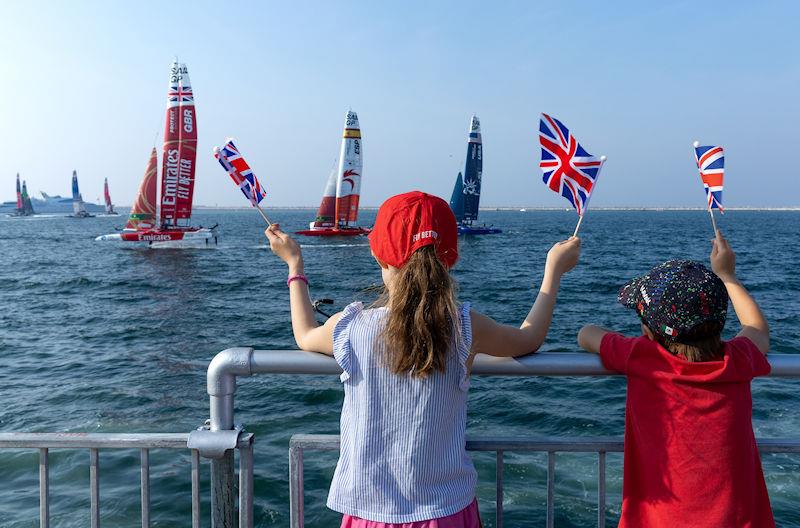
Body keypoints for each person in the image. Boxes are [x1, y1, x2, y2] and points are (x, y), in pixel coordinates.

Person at [266, 191, 580, 527]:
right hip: (445, 509)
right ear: (451, 259)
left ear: (377, 254)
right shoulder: (463, 326)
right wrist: (554, 271)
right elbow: (528, 339)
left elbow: (303, 334)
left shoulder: (351, 327)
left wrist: (294, 264)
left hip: (369, 511)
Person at [577, 230, 773, 528]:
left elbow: (586, 334)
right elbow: (757, 329)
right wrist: (728, 276)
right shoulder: (738, 360)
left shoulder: (642, 357)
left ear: (649, 330)